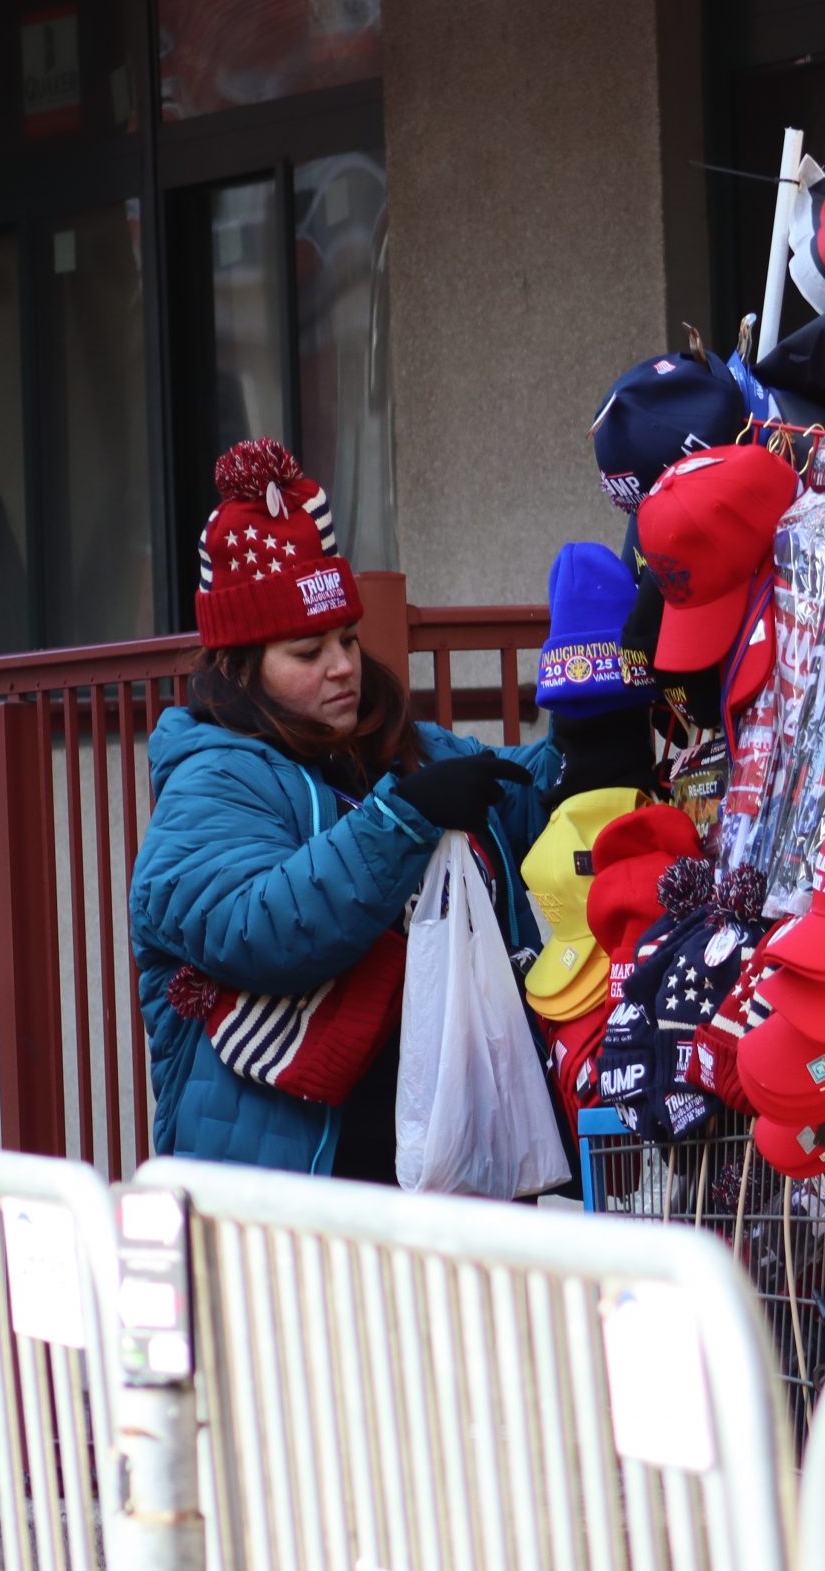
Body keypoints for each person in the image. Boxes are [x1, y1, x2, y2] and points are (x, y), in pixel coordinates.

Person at [130, 441, 561, 1179]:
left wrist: (590, 727)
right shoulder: (209, 782)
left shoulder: (398, 747)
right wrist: (401, 821)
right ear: (238, 667)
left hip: (438, 1179)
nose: (342, 667)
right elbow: (259, 926)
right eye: (307, 651)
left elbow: (513, 789)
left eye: (348, 639)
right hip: (287, 1211)